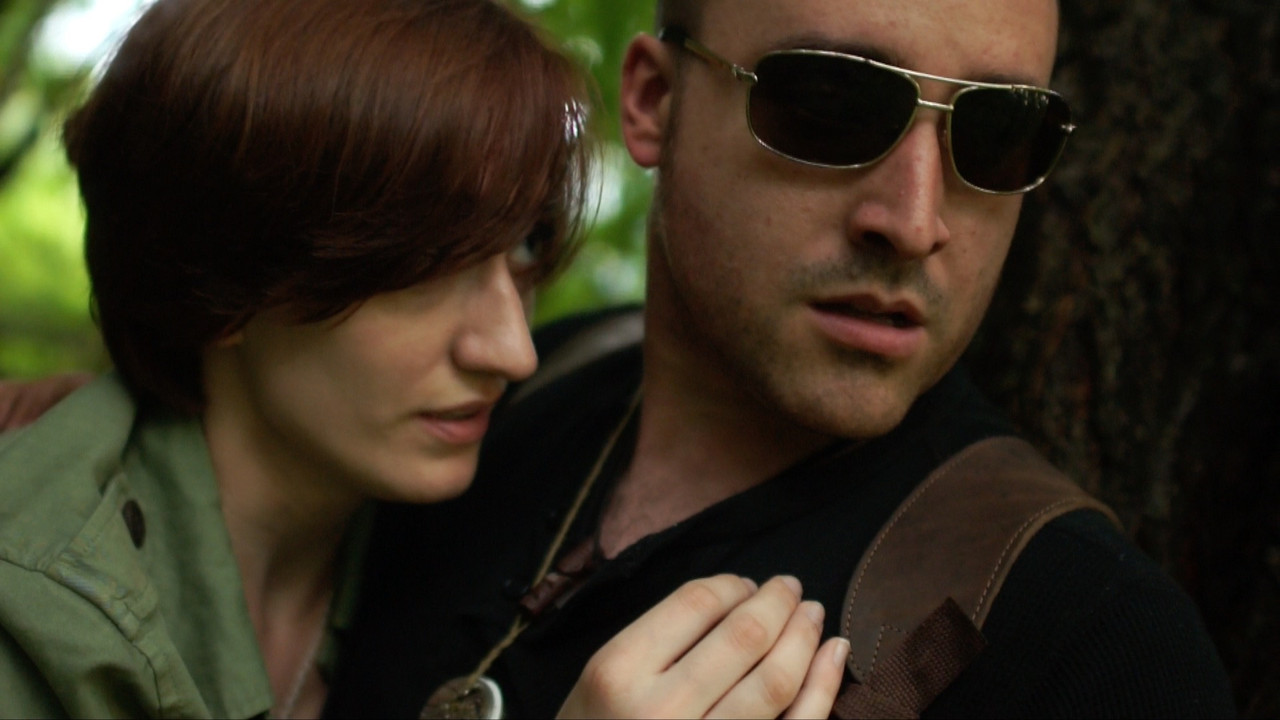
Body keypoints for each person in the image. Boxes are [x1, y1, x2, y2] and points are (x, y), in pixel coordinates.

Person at [318, 0, 1240, 717]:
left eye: (998, 133)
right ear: (654, 102)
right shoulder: (487, 409)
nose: (914, 223)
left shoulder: (1090, 644)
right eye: (832, 104)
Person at [0, 0, 848, 717]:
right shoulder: (34, 616)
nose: (513, 350)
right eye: (423, 271)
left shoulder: (423, 539)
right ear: (217, 283)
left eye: (521, 247)